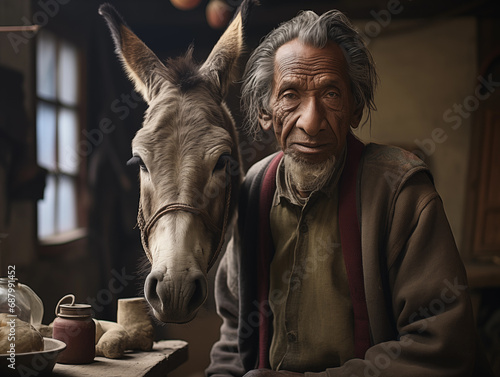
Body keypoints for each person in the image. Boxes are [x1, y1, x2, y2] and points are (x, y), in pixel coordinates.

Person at [206, 8, 494, 377]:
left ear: (356, 108)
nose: (310, 121)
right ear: (266, 112)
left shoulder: (400, 192)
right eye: (290, 94)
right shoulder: (254, 191)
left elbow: (441, 345)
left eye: (331, 94)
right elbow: (234, 328)